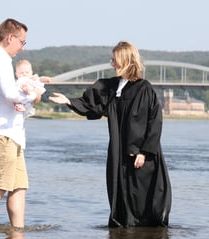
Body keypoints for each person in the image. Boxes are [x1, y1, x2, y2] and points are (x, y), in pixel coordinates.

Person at [49, 41, 172, 228]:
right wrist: (69, 101)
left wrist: (144, 152)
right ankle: (123, 230)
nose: (111, 63)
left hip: (140, 156)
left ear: (125, 61)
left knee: (141, 197)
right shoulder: (113, 87)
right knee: (121, 192)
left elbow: (154, 122)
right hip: (119, 154)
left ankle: (145, 232)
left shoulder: (143, 88)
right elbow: (94, 106)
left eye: (114, 60)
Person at [0, 18, 42, 228]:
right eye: (22, 42)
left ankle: (17, 232)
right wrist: (34, 95)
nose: (22, 48)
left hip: (11, 134)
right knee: (0, 186)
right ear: (10, 37)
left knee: (19, 186)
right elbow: (9, 92)